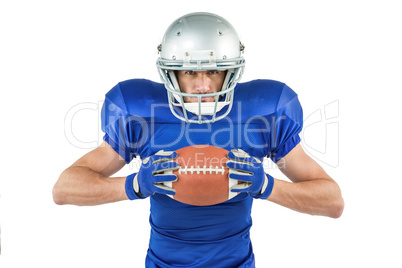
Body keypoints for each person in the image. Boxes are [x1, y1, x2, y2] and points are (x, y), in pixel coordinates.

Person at [53, 12, 344, 267]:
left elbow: (332, 202)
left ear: (232, 71)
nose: (203, 85)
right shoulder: (140, 113)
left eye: (214, 71)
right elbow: (64, 189)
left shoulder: (264, 113)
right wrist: (134, 185)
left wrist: (268, 186)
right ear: (170, 72)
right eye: (190, 71)